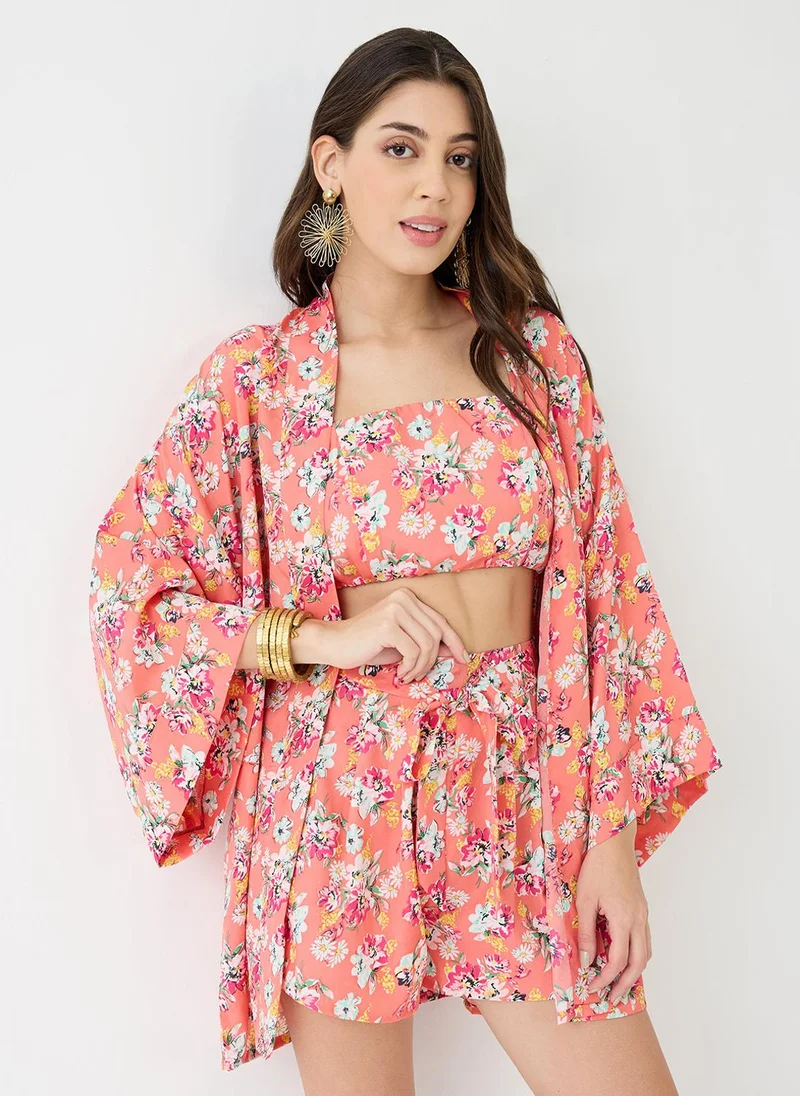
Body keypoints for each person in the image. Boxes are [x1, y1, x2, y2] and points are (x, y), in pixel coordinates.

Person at [87, 26, 723, 1096]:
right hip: (341, 793)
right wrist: (319, 639)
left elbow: (607, 595)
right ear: (330, 164)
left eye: (459, 157)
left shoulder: (528, 354)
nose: (435, 185)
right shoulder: (260, 382)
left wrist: (607, 836)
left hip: (525, 786)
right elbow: (129, 589)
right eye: (401, 148)